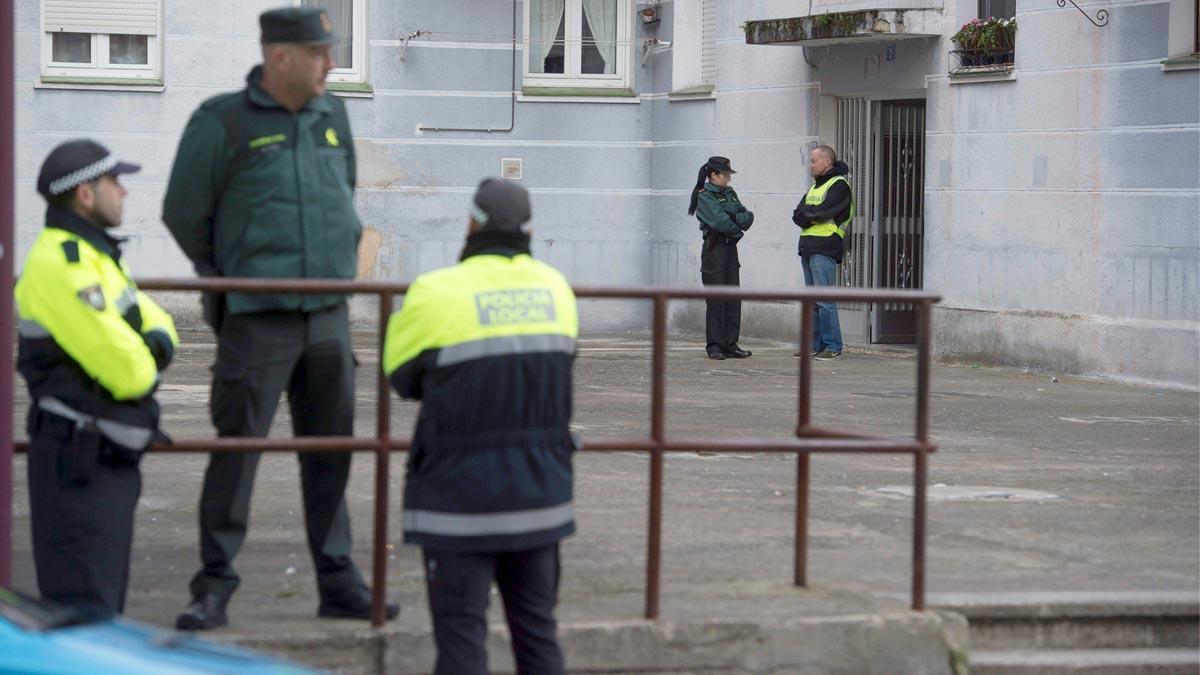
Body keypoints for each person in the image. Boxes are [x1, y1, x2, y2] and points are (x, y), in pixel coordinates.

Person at [162, 7, 397, 629]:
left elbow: (343, 192)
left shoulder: (332, 114)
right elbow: (185, 213)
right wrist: (225, 280)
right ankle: (214, 584)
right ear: (281, 58)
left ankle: (338, 580)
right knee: (237, 453)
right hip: (256, 320)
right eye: (320, 53)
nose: (331, 63)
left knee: (332, 452)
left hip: (326, 316)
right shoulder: (222, 121)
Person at [384, 179, 577, 675]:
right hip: (540, 494)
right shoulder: (557, 287)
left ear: (471, 223)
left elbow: (402, 379)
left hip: (457, 498)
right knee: (538, 635)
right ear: (529, 229)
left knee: (461, 640)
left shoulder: (435, 290)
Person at [16, 139, 179, 619]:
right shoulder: (61, 264)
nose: (124, 192)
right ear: (86, 193)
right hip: (76, 460)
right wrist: (148, 351)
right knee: (84, 612)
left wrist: (149, 345)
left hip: (99, 456)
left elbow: (164, 326)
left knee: (102, 607)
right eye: (114, 182)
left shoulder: (96, 257)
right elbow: (128, 371)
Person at [689, 156, 754, 360]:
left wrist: (733, 219)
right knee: (717, 299)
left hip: (730, 250)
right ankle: (715, 345)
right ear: (713, 175)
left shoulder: (729, 194)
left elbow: (748, 216)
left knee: (733, 298)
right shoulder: (705, 195)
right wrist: (735, 223)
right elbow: (720, 222)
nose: (728, 179)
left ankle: (730, 343)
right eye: (725, 175)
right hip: (714, 250)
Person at [793, 145, 855, 361]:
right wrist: (811, 215)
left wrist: (810, 216)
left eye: (813, 160)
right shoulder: (814, 187)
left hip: (825, 247)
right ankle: (815, 345)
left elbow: (823, 213)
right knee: (812, 301)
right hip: (808, 246)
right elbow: (797, 214)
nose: (810, 165)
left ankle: (833, 346)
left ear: (827, 162)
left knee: (824, 300)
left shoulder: (839, 186)